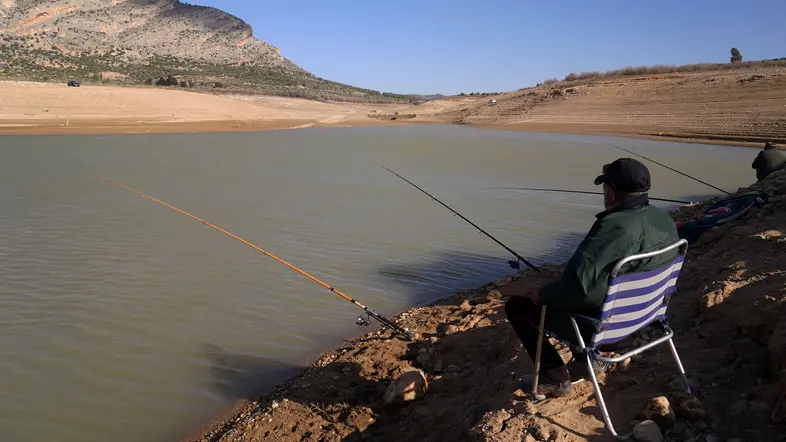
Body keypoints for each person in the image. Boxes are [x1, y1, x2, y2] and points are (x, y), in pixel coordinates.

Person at [504, 158, 680, 396]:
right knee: (585, 291)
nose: (604, 193)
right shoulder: (664, 219)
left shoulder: (612, 226)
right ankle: (587, 362)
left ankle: (555, 378)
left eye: (605, 187)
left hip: (611, 334)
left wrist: (542, 293)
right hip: (646, 320)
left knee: (519, 307)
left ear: (613, 191)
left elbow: (580, 289)